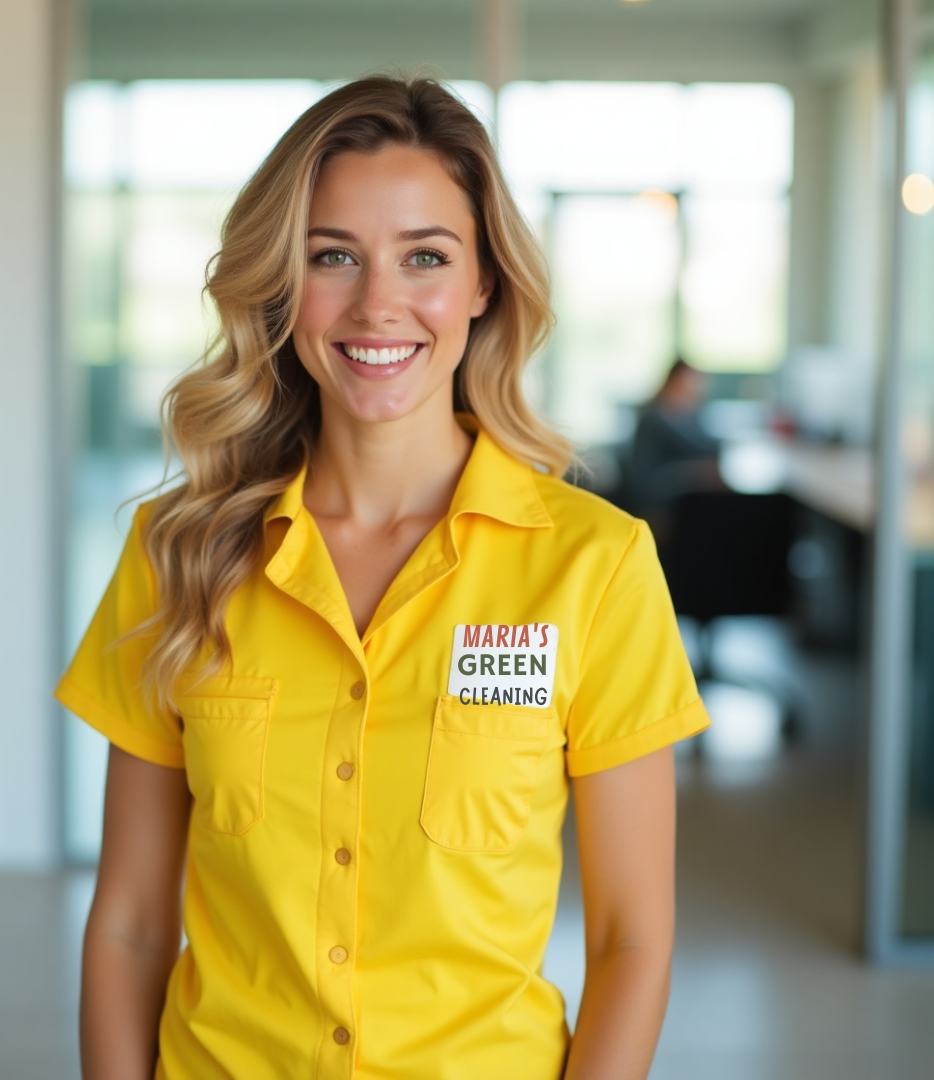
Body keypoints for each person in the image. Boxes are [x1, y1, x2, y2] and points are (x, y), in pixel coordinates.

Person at [56, 77, 710, 1080]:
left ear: (485, 283)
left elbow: (633, 941)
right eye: (333, 257)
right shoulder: (178, 552)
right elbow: (133, 925)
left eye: (426, 258)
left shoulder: (594, 565)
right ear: (282, 281)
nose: (377, 304)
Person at [624, 358, 720, 528]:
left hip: (692, 505)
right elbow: (642, 481)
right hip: (662, 510)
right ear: (672, 383)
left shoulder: (691, 419)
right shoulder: (653, 421)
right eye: (685, 387)